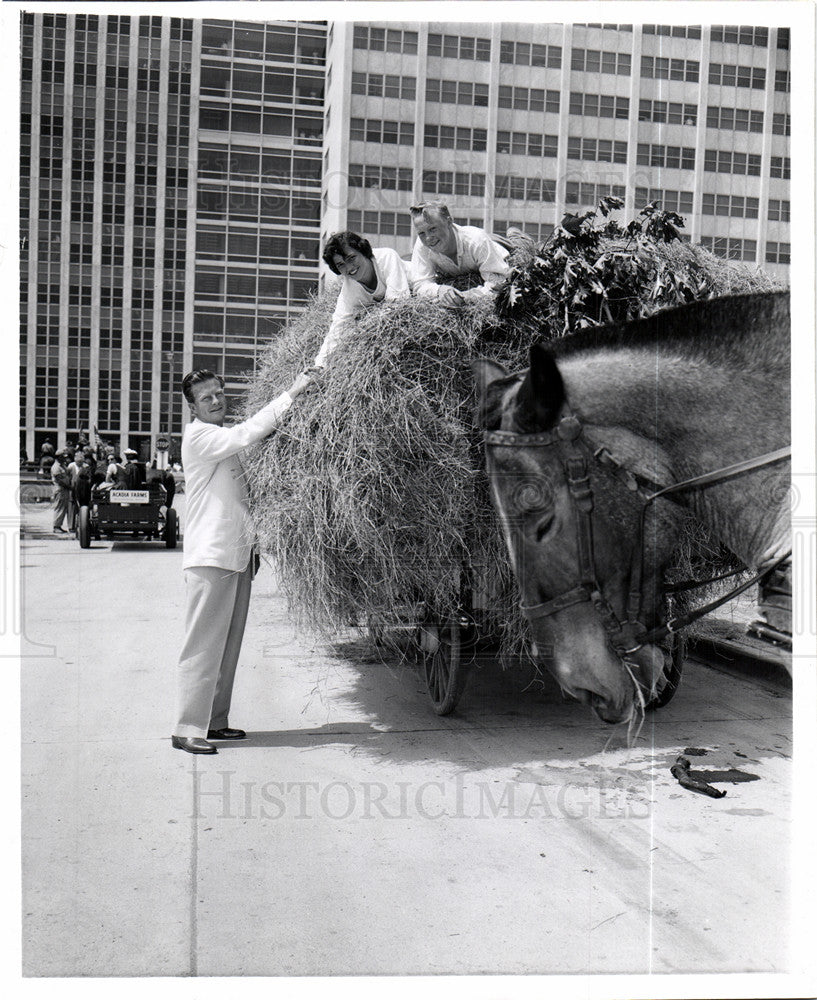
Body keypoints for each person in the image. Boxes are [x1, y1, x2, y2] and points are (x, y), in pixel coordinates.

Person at [171, 367, 311, 754]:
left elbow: (238, 499)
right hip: (211, 556)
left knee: (228, 644)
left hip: (236, 556)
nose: (216, 401)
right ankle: (186, 728)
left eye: (218, 393)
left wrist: (253, 547)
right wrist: (292, 392)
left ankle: (214, 722)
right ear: (192, 407)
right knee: (202, 644)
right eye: (206, 398)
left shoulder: (219, 439)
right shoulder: (202, 437)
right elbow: (249, 431)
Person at [311, 231, 410, 369]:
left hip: (420, 288)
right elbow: (338, 326)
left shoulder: (386, 257)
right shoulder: (349, 288)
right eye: (341, 265)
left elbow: (398, 302)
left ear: (363, 251)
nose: (349, 268)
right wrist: (320, 365)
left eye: (351, 258)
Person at [407, 201, 510, 306]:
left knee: (516, 240)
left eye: (433, 229)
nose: (428, 238)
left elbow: (498, 284)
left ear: (449, 221)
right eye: (421, 233)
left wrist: (467, 296)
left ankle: (514, 233)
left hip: (497, 248)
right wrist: (439, 290)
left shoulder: (477, 240)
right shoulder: (422, 245)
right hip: (466, 266)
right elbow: (420, 284)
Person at [50, 452, 72, 534]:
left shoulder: (62, 466)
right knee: (59, 507)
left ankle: (59, 525)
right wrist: (69, 487)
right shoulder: (56, 467)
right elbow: (59, 480)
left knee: (63, 508)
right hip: (60, 489)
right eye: (63, 457)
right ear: (58, 457)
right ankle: (56, 526)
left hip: (64, 489)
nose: (64, 458)